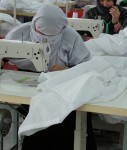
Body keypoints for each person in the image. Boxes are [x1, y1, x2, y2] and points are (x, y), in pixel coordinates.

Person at [3, 3, 97, 150]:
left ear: (62, 31)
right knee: (36, 115)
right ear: (33, 26)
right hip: (30, 84)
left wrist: (67, 70)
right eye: (40, 34)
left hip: (62, 85)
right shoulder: (19, 34)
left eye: (51, 37)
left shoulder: (71, 38)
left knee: (62, 116)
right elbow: (5, 54)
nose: (44, 40)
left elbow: (86, 69)